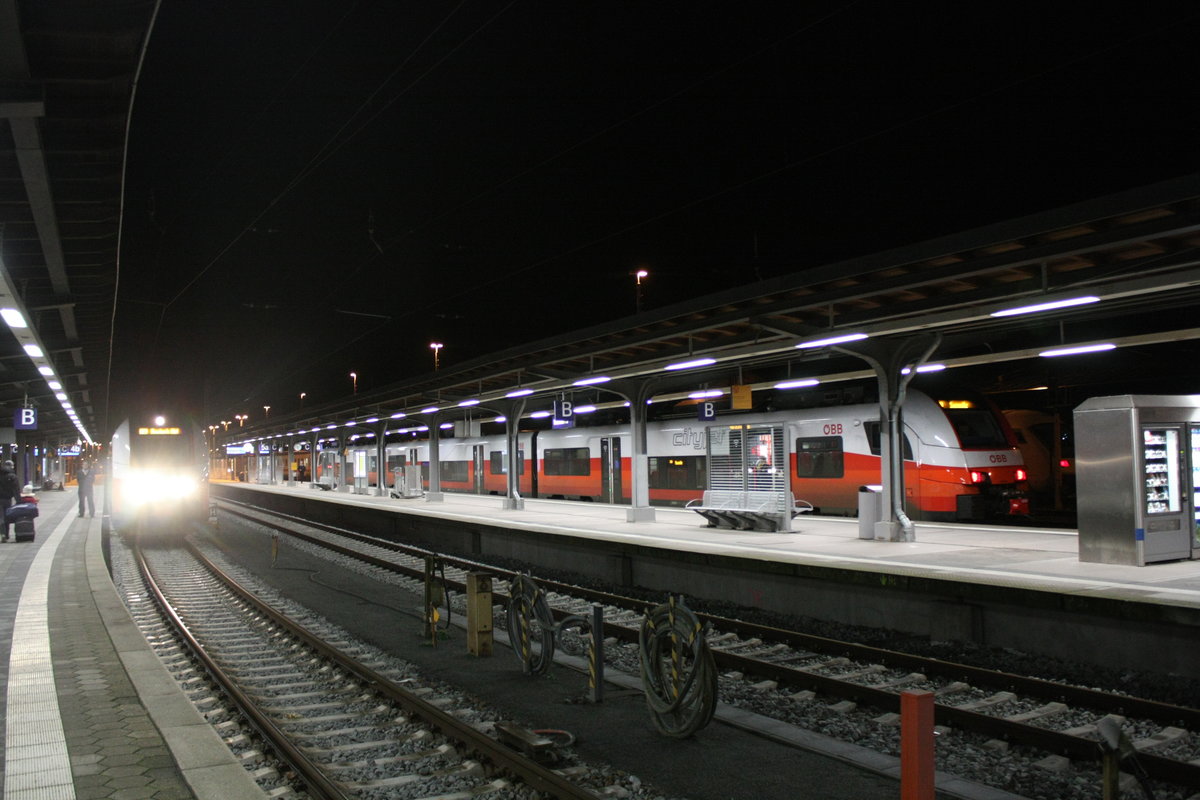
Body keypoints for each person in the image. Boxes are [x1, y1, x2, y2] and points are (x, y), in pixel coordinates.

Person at [0, 460, 20, 542]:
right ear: (12, 466)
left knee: (1, 517)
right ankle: (7, 535)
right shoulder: (12, 476)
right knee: (6, 516)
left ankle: (3, 534)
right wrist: (18, 500)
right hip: (7, 499)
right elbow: (16, 489)